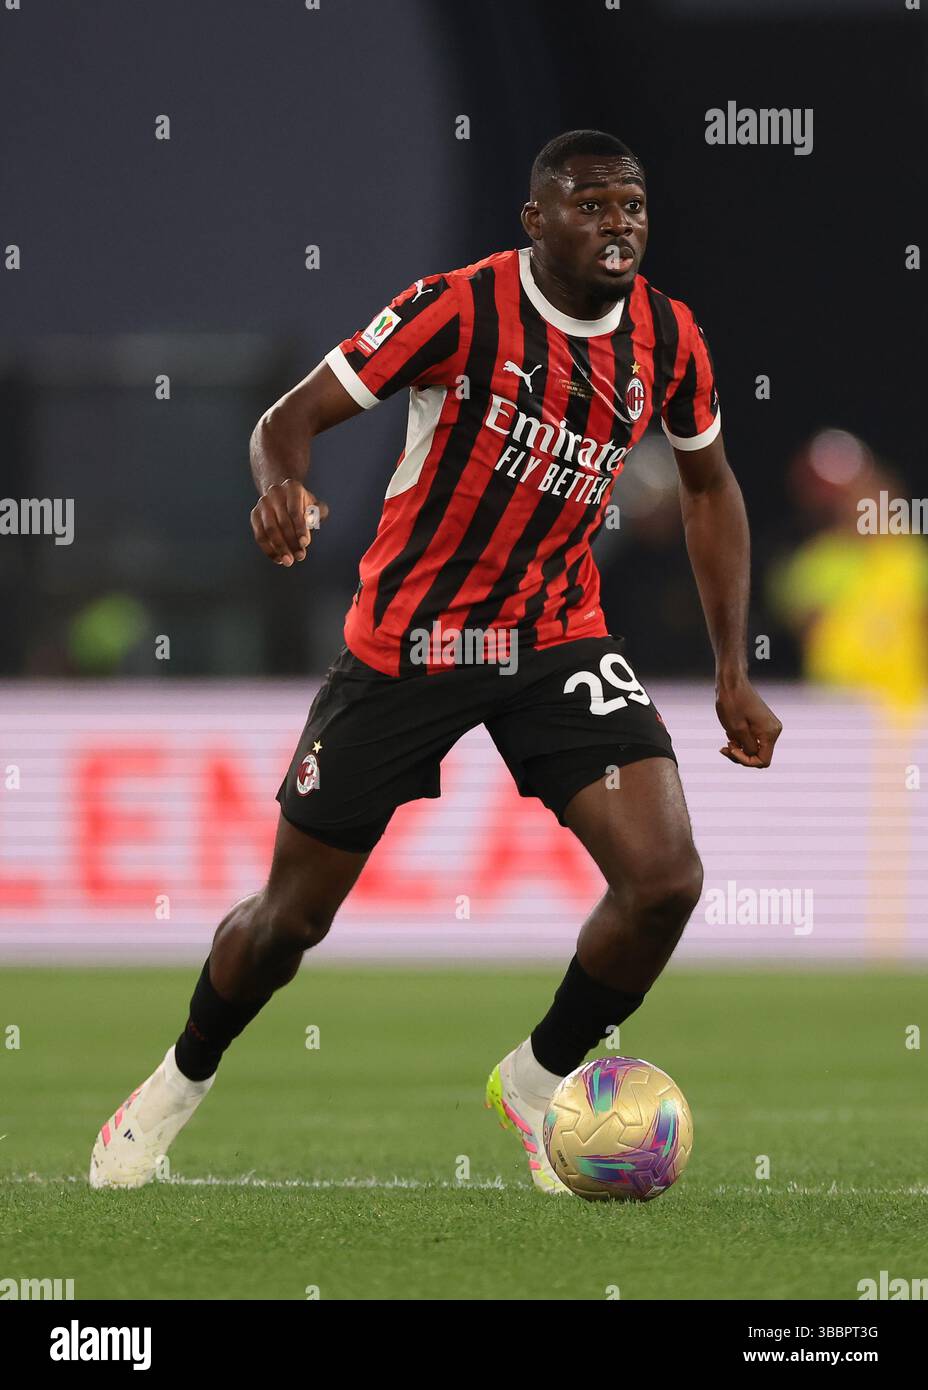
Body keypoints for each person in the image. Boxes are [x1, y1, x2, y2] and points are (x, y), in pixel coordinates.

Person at [90, 129, 782, 1194]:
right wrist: (279, 483)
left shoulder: (669, 337)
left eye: (632, 205)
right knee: (289, 923)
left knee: (664, 880)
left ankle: (538, 1071)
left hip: (554, 636)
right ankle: (169, 1089)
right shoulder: (455, 308)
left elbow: (708, 488)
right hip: (411, 641)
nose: (618, 224)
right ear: (535, 222)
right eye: (591, 206)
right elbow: (290, 419)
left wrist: (733, 668)